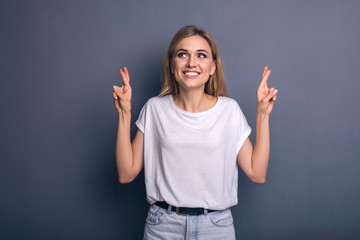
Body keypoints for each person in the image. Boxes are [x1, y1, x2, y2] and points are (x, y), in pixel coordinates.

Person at [112, 25, 278, 240]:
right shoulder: (155, 108)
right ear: (172, 66)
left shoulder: (229, 110)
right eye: (183, 55)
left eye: (201, 55)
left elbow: (257, 173)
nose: (191, 63)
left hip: (216, 227)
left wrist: (262, 115)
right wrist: (124, 113)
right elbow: (127, 173)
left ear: (212, 67)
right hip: (163, 227)